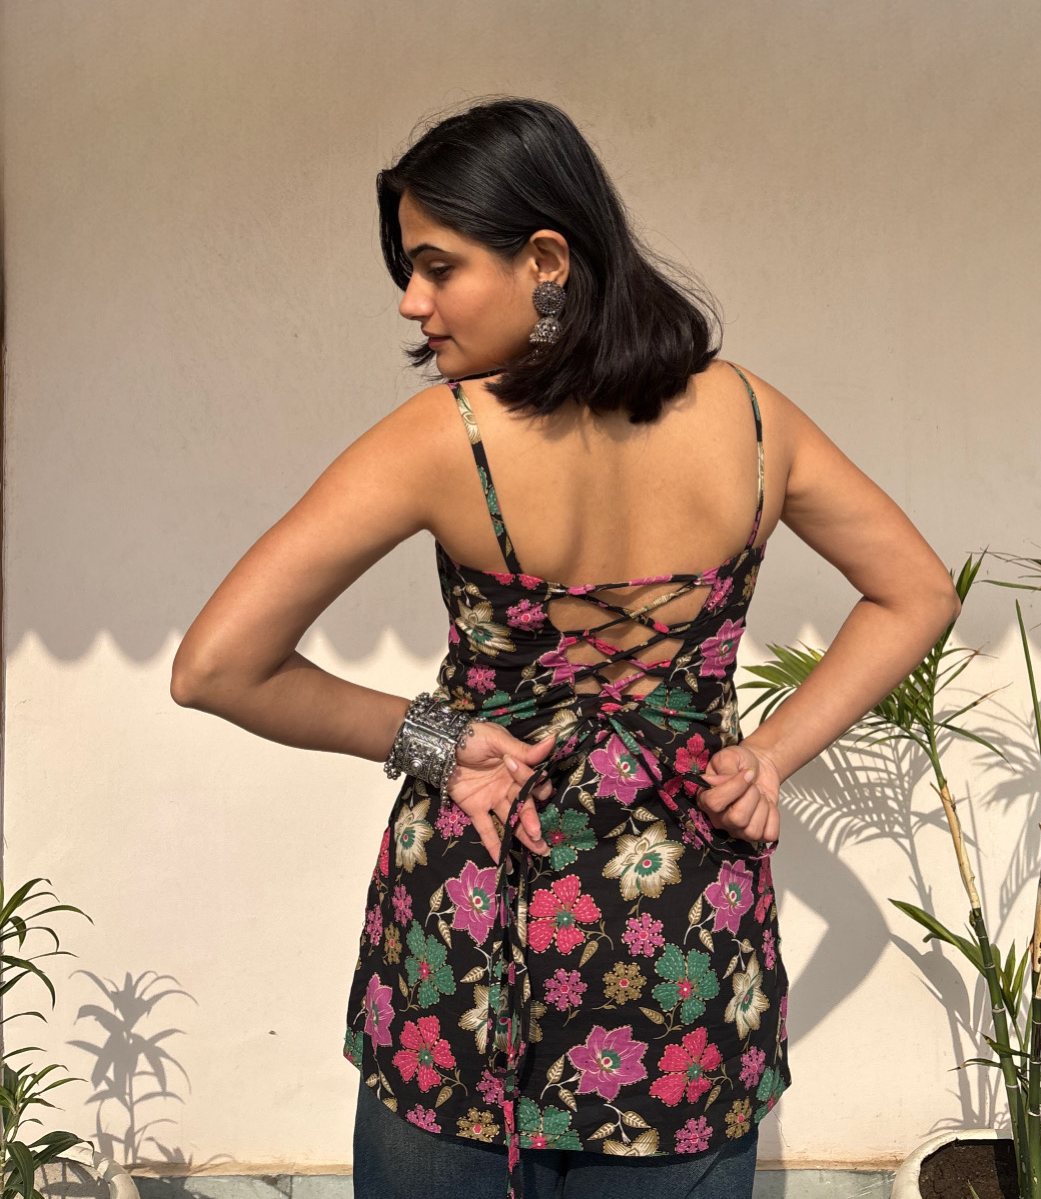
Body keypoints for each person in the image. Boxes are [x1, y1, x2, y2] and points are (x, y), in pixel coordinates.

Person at [171, 97, 961, 1199]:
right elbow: (918, 592)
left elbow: (214, 666)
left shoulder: (443, 438)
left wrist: (439, 740)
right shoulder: (753, 419)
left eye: (437, 266)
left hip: (471, 944)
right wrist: (770, 756)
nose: (410, 300)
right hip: (684, 952)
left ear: (546, 260)